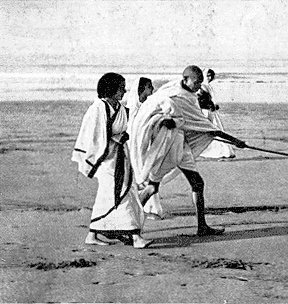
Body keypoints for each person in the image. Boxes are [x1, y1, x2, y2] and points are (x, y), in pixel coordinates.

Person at [128, 65, 246, 236]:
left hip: (180, 145)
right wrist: (235, 141)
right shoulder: (175, 94)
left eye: (200, 83)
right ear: (185, 79)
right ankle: (128, 223)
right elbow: (208, 128)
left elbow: (197, 123)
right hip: (168, 146)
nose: (199, 87)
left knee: (196, 183)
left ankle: (202, 227)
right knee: (152, 187)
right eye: (196, 83)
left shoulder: (187, 95)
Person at [71, 72, 153, 249]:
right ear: (111, 89)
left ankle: (92, 234)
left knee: (111, 195)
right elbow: (94, 135)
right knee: (122, 193)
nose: (123, 91)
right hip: (106, 159)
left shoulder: (120, 108)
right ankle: (135, 237)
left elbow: (136, 115)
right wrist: (115, 139)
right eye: (120, 88)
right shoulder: (98, 108)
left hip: (120, 157)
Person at [124, 76, 165, 219]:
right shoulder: (132, 108)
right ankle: (145, 208)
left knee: (146, 173)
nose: (152, 89)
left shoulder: (147, 106)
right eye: (149, 87)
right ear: (142, 89)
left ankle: (148, 207)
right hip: (132, 145)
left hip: (143, 144)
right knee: (139, 174)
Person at [198, 68, 236, 159]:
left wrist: (214, 105)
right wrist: (209, 105)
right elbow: (199, 100)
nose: (209, 77)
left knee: (216, 129)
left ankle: (222, 151)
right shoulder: (201, 86)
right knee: (212, 130)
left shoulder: (207, 86)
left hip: (210, 111)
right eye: (207, 75)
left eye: (211, 76)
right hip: (205, 112)